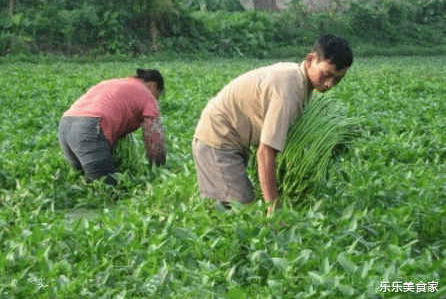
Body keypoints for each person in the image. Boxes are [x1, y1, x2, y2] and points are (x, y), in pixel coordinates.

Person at [192, 35, 353, 215]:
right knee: (243, 209)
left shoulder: (298, 79)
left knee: (232, 208)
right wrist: (274, 206)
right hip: (217, 141)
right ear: (310, 60)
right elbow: (265, 152)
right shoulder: (289, 90)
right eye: (326, 74)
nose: (329, 84)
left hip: (231, 141)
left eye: (337, 79)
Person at [59, 68, 166, 185]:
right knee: (107, 189)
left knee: (82, 183)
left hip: (65, 125)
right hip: (89, 129)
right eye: (158, 95)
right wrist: (158, 169)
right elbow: (154, 138)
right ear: (153, 86)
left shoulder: (111, 83)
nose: (156, 99)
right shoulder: (147, 95)